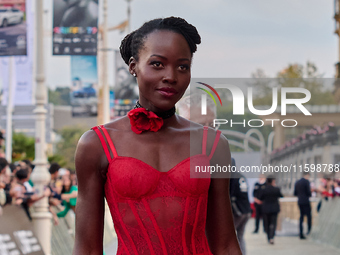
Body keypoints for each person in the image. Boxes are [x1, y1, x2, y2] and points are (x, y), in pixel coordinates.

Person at [73, 17, 241, 254]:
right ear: (133, 66)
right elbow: (87, 249)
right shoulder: (96, 144)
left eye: (183, 66)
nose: (171, 76)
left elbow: (225, 245)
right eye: (157, 64)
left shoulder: (213, 144)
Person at [229, 158, 251, 255]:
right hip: (246, 211)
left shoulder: (232, 177)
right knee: (240, 236)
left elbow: (229, 194)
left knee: (230, 236)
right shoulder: (242, 176)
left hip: (238, 211)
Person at [258, 176, 283, 245]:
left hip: (265, 208)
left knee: (267, 223)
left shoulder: (264, 189)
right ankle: (272, 237)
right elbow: (281, 195)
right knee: (273, 223)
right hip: (274, 208)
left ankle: (268, 237)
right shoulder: (276, 189)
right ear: (273, 181)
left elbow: (260, 198)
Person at [294, 172, 312, 239]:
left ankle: (301, 232)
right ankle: (309, 230)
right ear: (307, 175)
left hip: (300, 201)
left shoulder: (297, 182)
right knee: (308, 216)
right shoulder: (306, 182)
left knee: (301, 217)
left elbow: (295, 193)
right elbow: (308, 192)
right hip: (306, 201)